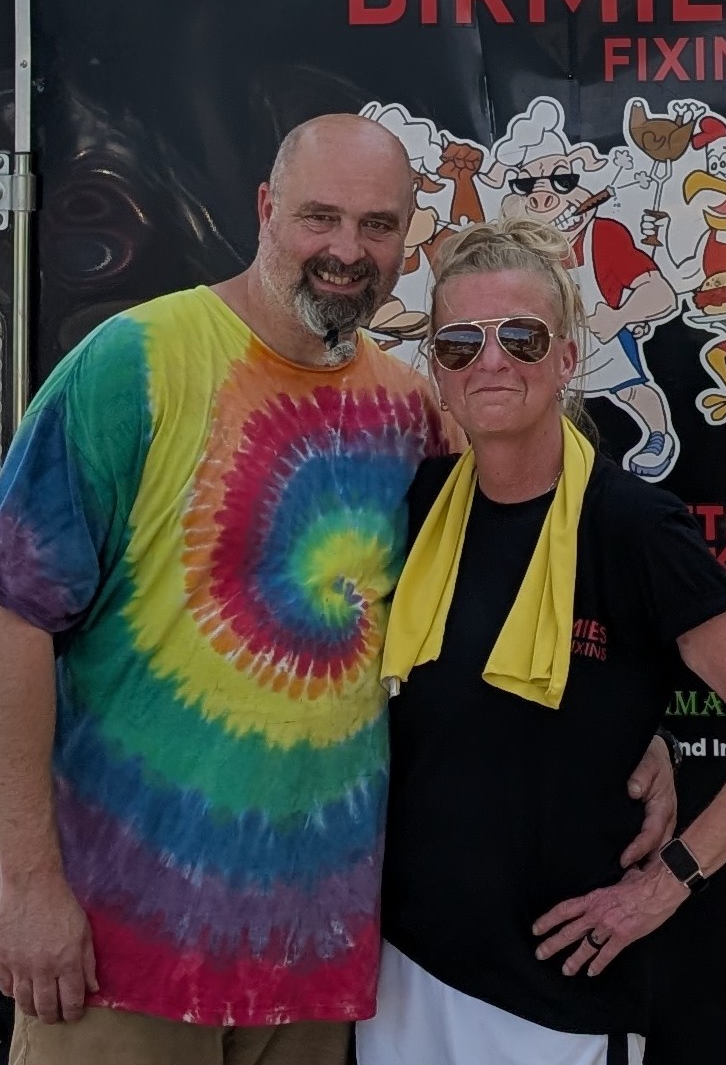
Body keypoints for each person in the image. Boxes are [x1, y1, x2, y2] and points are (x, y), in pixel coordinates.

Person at [0, 114, 456, 1064]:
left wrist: (636, 734)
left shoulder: (410, 411)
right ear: (265, 209)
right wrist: (25, 886)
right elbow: (14, 614)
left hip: (313, 967)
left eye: (376, 225)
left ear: (405, 237)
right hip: (122, 956)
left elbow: (500, 602)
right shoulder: (135, 362)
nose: (347, 250)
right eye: (320, 216)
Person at [357, 217, 726, 1065]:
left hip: (558, 993)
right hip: (403, 970)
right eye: (460, 342)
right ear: (436, 367)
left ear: (568, 358)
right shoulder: (416, 505)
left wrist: (666, 884)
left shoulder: (630, 524)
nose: (490, 361)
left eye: (522, 337)